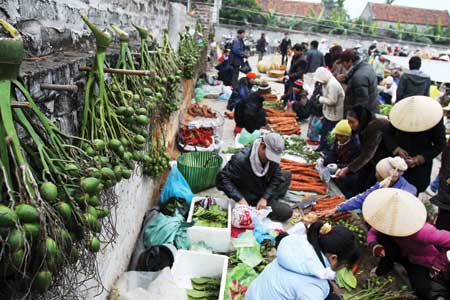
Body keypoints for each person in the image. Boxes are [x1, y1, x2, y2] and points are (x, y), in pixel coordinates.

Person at [363, 188, 450, 300]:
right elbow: (372, 233)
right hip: (399, 253)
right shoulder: (386, 223)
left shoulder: (423, 231)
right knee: (384, 239)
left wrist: (439, 264)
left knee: (422, 290)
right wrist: (375, 245)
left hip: (419, 260)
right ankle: (384, 267)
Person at [246, 221, 360, 300]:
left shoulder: (298, 244)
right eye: (344, 265)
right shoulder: (312, 288)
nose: (341, 268)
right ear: (333, 258)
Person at [216, 133, 293, 222]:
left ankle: (269, 200)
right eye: (269, 155)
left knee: (287, 175)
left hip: (262, 187)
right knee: (287, 212)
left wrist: (265, 197)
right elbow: (221, 179)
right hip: (248, 195)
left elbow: (277, 176)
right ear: (262, 146)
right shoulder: (241, 160)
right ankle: (261, 204)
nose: (270, 159)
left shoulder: (271, 160)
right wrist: (240, 199)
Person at [384, 96, 446, 193]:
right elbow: (387, 134)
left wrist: (420, 158)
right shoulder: (401, 114)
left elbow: (440, 143)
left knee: (410, 196)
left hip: (419, 169)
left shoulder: (434, 117)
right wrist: (397, 149)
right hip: (397, 162)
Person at [323, 157, 416, 216]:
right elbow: (363, 197)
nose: (375, 175)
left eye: (378, 173)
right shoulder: (383, 183)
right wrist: (337, 208)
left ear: (384, 175)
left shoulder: (406, 193)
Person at [335, 105, 389, 194]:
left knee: (368, 187)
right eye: (348, 122)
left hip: (381, 160)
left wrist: (347, 169)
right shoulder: (364, 124)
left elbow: (368, 154)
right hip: (371, 159)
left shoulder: (375, 126)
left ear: (361, 119)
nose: (350, 125)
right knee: (359, 182)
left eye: (352, 122)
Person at [322, 120, 360, 198]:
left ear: (348, 136)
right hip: (339, 168)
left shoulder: (356, 146)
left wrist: (338, 166)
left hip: (351, 174)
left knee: (343, 188)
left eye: (341, 136)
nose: (338, 138)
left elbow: (354, 165)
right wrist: (327, 160)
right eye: (337, 135)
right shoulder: (338, 140)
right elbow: (334, 153)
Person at [314, 67, 345, 152]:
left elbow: (332, 101)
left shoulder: (332, 84)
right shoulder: (326, 82)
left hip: (335, 114)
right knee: (324, 131)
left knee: (329, 133)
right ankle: (322, 147)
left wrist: (320, 99)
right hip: (328, 113)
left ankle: (326, 150)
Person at [338, 49, 379, 114]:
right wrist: (346, 79)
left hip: (363, 116)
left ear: (350, 61)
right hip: (372, 108)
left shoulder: (359, 77)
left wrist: (355, 120)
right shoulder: (365, 65)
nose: (343, 66)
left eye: (343, 63)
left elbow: (362, 104)